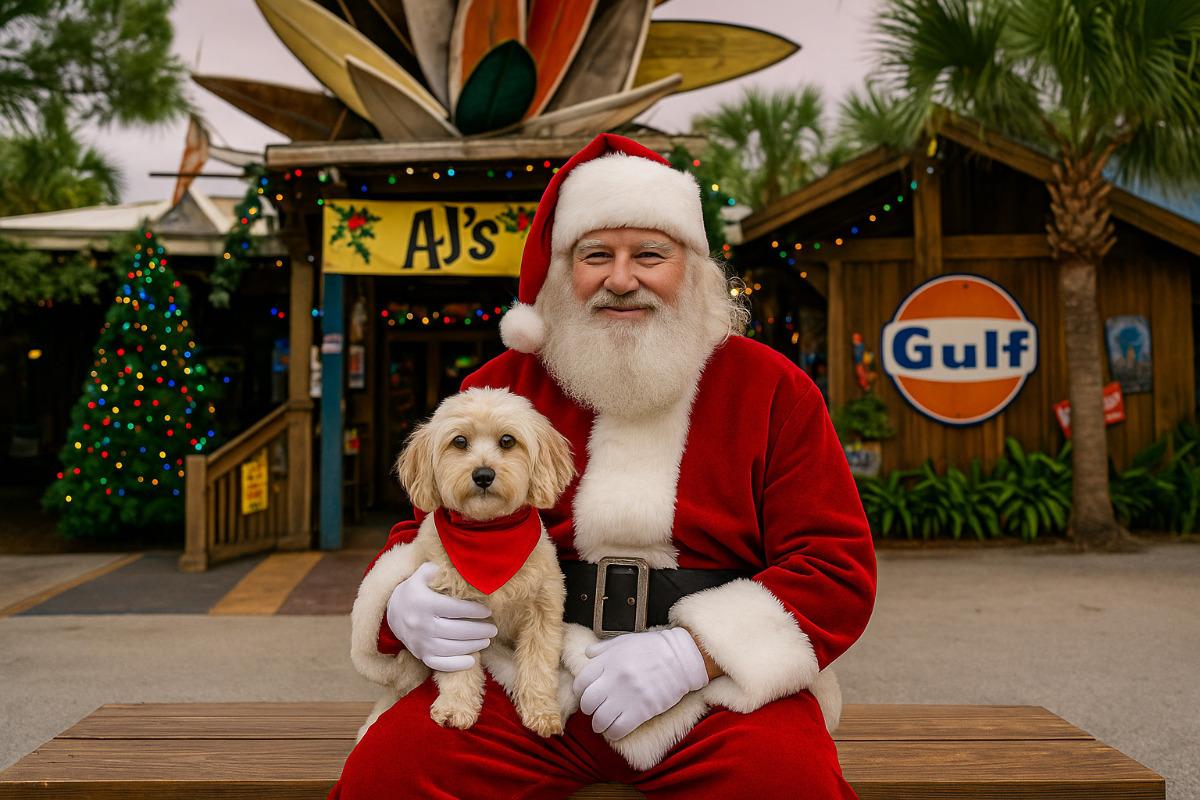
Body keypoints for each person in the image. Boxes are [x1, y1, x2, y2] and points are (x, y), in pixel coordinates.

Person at [331, 133, 876, 798]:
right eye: (596, 256)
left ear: (692, 269)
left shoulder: (773, 389)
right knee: (390, 775)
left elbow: (832, 565)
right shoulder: (502, 386)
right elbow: (423, 524)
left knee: (787, 784)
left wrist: (693, 653)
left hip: (713, 690)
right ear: (565, 273)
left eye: (649, 254)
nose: (621, 279)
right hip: (522, 671)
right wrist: (403, 603)